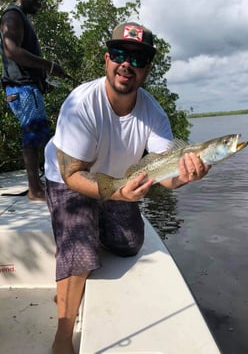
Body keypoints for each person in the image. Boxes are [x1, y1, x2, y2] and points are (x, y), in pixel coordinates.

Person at [44, 22, 210, 354]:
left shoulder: (154, 114)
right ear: (107, 59)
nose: (127, 64)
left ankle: (83, 244)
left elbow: (167, 175)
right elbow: (74, 173)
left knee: (130, 243)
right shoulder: (81, 104)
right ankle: (63, 335)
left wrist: (186, 176)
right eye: (120, 54)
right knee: (79, 242)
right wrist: (117, 194)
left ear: (147, 68)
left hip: (115, 182)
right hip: (68, 178)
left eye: (137, 58)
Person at [0, 0, 66, 200]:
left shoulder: (18, 16)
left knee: (37, 134)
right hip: (23, 89)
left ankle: (37, 185)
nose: (40, 2)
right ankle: (34, 189)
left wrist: (42, 81)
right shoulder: (12, 15)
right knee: (33, 135)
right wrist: (50, 66)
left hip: (26, 87)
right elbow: (12, 50)